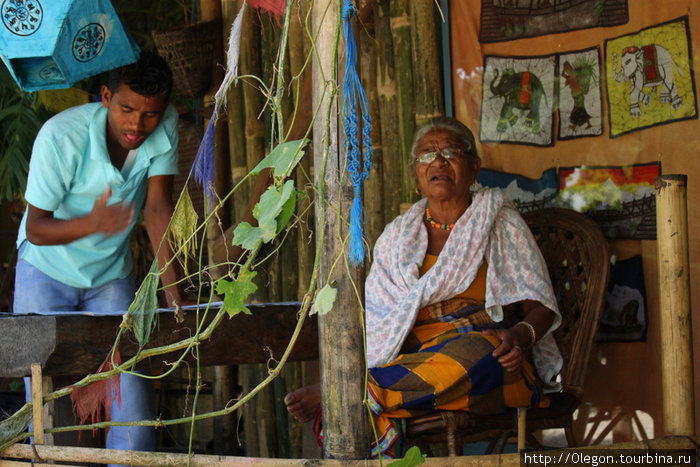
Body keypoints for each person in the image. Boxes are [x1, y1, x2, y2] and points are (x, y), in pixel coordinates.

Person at [284, 116, 563, 457]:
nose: (439, 161)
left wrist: (520, 336)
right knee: (390, 359)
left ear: (474, 167)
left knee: (481, 355)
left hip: (487, 360)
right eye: (427, 154)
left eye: (450, 151)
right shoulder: (397, 236)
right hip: (414, 354)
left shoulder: (500, 221)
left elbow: (542, 306)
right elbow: (381, 320)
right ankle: (369, 390)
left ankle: (345, 393)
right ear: (417, 174)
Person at [13, 51, 188, 459]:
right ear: (106, 96)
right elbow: (36, 228)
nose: (138, 125)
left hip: (110, 276)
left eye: (151, 114)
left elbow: (157, 208)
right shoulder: (60, 137)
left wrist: (174, 291)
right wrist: (93, 223)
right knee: (48, 407)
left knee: (134, 402)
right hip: (45, 273)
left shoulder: (165, 126)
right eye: (127, 109)